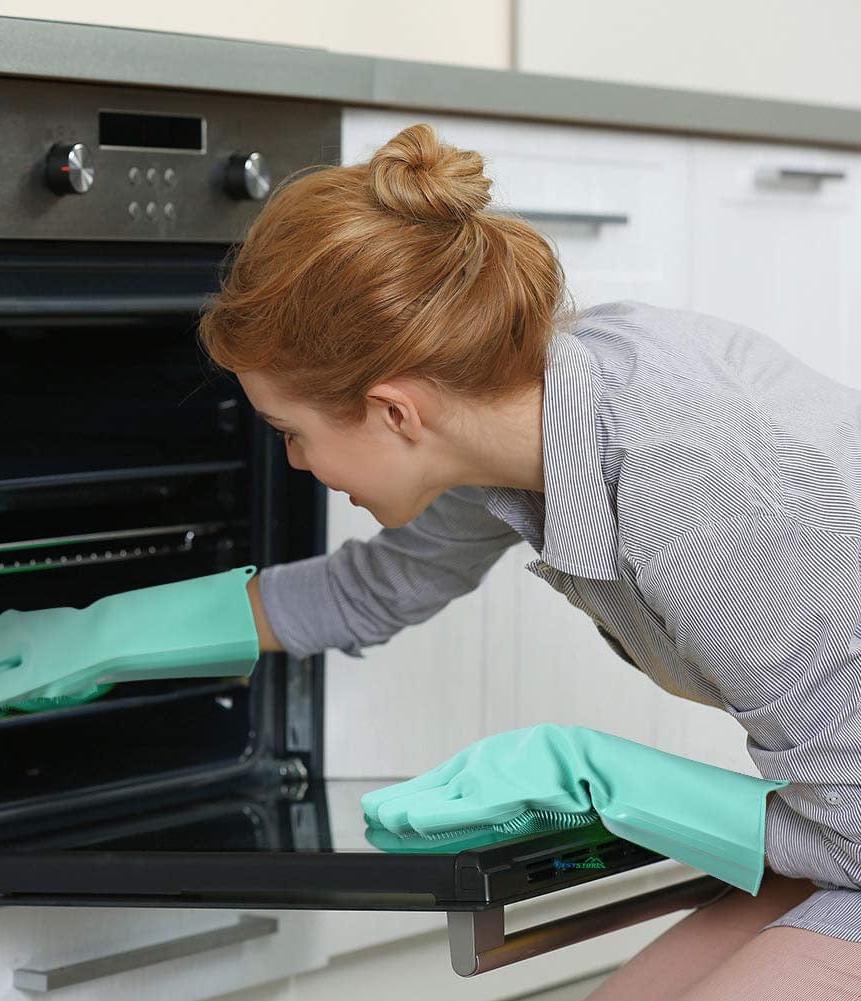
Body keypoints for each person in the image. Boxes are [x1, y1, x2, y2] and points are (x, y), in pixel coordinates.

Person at [198, 123, 861, 999]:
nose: (294, 464)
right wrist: (101, 634)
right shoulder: (515, 415)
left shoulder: (694, 495)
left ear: (395, 412)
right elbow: (376, 587)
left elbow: (851, 832)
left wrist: (598, 779)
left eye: (293, 435)